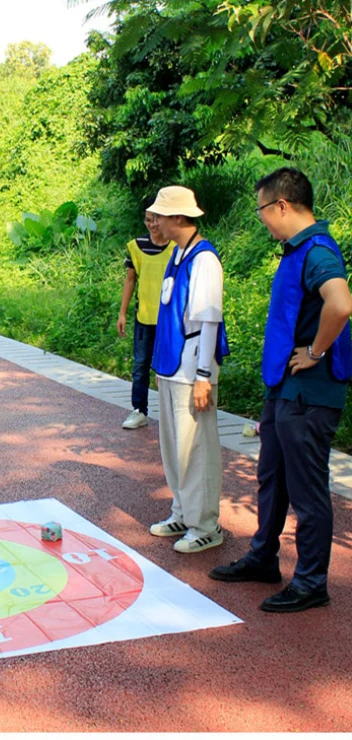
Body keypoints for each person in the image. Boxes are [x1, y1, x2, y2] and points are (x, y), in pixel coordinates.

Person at [210, 168, 352, 612]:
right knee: (271, 476)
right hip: (284, 389)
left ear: (282, 205)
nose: (262, 221)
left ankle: (311, 583)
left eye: (262, 211)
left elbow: (342, 302)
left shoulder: (318, 252)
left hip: (310, 393)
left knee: (307, 490)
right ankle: (263, 557)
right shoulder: (295, 251)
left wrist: (315, 349)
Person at [148, 185, 230, 553]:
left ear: (179, 217)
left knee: (196, 450)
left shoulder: (204, 260)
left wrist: (203, 377)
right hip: (170, 367)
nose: (156, 222)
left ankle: (206, 525)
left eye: (161, 216)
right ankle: (182, 510)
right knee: (174, 447)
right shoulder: (178, 254)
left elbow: (209, 320)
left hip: (192, 369)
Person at [117, 203, 175, 429]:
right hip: (144, 317)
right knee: (140, 365)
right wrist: (122, 313)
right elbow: (130, 279)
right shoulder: (136, 246)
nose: (151, 224)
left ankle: (171, 413)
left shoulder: (176, 248)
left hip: (169, 319)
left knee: (168, 366)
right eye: (147, 219)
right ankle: (139, 410)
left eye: (155, 219)